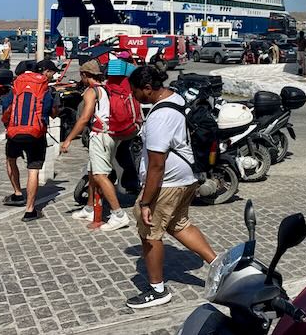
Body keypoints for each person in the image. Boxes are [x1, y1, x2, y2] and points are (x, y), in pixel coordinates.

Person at [125, 65, 217, 309]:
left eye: (135, 92)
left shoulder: (159, 117)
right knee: (179, 224)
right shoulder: (174, 96)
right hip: (186, 179)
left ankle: (157, 289)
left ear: (147, 88)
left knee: (149, 230)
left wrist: (146, 201)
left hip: (167, 184)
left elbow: (157, 165)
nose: (134, 96)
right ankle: (219, 266)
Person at [60, 60, 130, 231]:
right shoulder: (106, 88)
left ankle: (118, 214)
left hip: (100, 136)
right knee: (92, 173)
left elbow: (84, 118)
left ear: (85, 75)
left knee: (99, 175)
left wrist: (68, 139)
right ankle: (90, 208)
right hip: (111, 134)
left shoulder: (91, 91)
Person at [1, 60, 60, 220]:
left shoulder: (15, 86)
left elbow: (5, 106)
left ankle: (18, 193)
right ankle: (30, 210)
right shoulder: (44, 88)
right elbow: (51, 112)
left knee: (10, 159)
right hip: (36, 134)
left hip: (14, 132)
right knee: (33, 169)